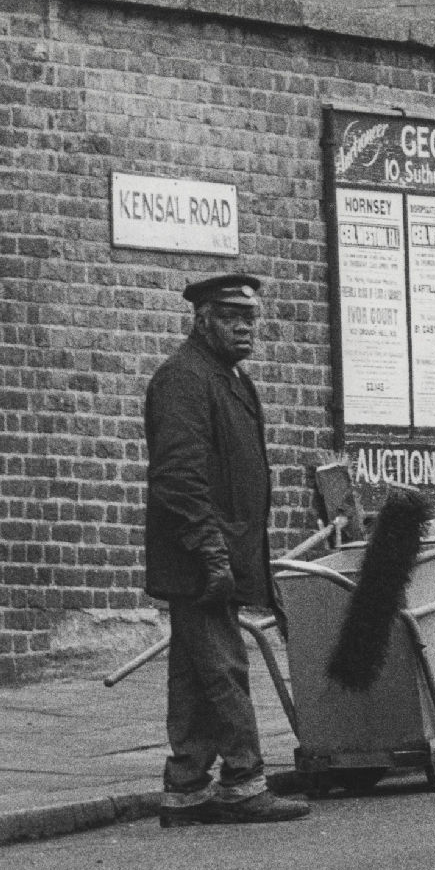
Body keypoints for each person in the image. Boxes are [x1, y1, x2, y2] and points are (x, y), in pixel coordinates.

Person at [143, 272, 309, 826]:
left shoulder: (229, 379)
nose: (245, 328)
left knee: (194, 673)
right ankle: (243, 780)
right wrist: (211, 553)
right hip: (199, 557)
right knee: (224, 669)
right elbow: (178, 479)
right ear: (202, 320)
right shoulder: (184, 380)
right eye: (232, 317)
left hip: (220, 553)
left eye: (251, 318)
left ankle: (186, 788)